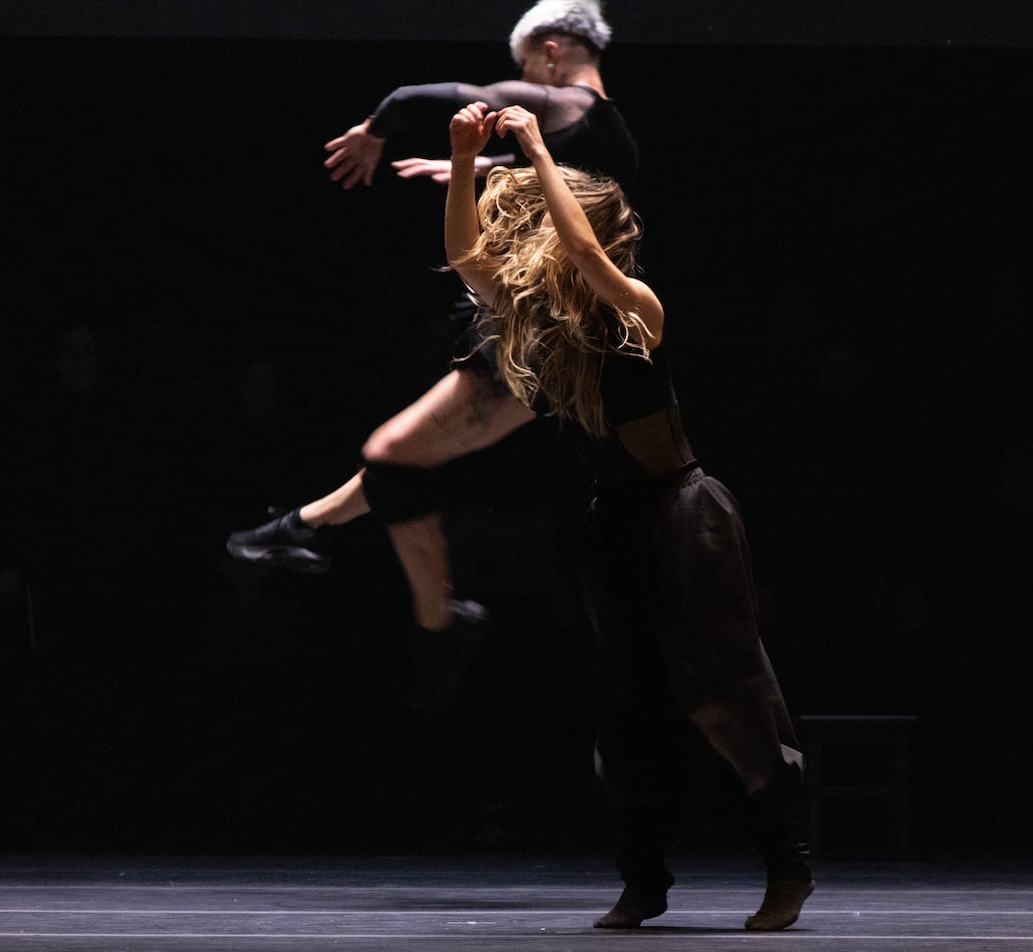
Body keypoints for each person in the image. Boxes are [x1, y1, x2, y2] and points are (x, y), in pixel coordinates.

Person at [442, 101, 814, 931]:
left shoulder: (635, 305)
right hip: (616, 520)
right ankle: (643, 879)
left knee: (728, 694)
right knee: (626, 706)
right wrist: (464, 160)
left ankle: (788, 863)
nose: (536, 235)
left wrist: (536, 144)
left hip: (686, 516)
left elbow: (577, 247)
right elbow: (465, 252)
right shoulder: (541, 320)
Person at [225, 0, 639, 712]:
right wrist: (482, 169)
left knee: (391, 456)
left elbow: (418, 98)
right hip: (561, 333)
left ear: (550, 48)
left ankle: (419, 609)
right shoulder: (612, 135)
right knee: (404, 457)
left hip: (542, 333)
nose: (515, 84)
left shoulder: (554, 96)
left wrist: (370, 131)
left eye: (520, 67)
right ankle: (301, 534)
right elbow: (571, 184)